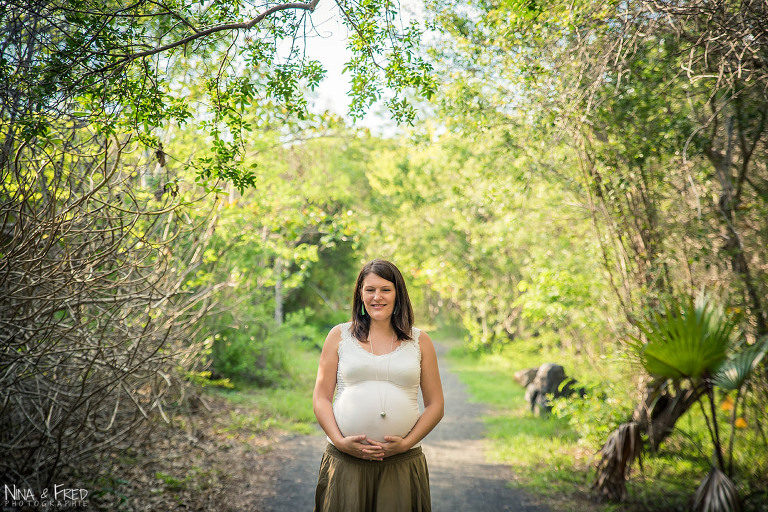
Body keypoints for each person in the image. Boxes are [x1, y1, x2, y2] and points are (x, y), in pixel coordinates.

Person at [312, 259, 445, 512]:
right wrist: (339, 441)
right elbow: (320, 398)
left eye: (385, 289)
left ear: (398, 294)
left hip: (401, 462)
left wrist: (405, 444)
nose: (377, 297)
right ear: (360, 294)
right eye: (369, 289)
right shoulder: (339, 336)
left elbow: (436, 405)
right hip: (345, 461)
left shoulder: (420, 341)